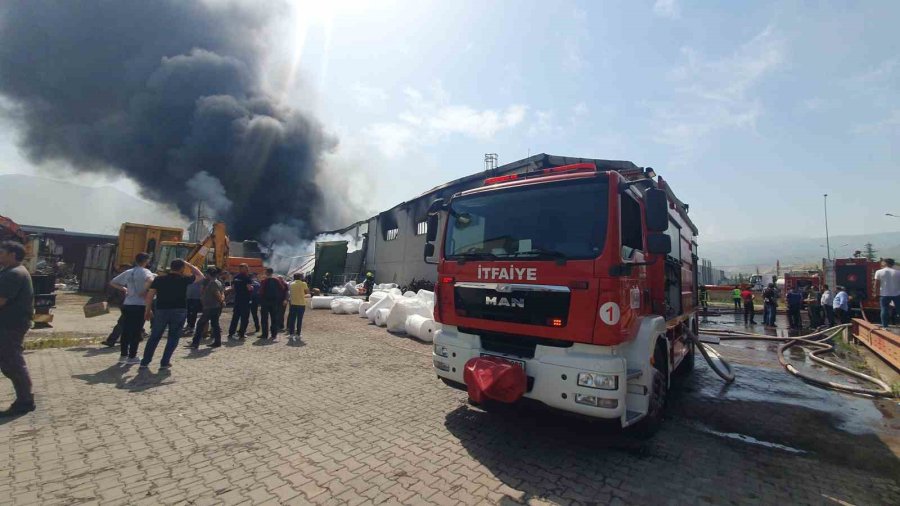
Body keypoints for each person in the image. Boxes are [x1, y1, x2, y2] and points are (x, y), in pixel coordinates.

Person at [140, 259, 203, 369]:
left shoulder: (159, 279)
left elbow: (150, 296)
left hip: (161, 310)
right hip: (179, 310)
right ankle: (165, 362)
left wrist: (147, 310)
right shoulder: (184, 279)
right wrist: (189, 264)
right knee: (173, 337)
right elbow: (200, 276)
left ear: (171, 267)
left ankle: (145, 361)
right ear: (182, 268)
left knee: (154, 336)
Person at [0, 241, 36, 416]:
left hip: (10, 325)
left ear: (12, 255)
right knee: (9, 361)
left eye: (2, 252)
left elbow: (1, 300)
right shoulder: (9, 271)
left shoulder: (14, 274)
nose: (0, 255)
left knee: (12, 362)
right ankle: (25, 398)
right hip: (9, 323)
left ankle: (25, 400)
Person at [109, 252, 154, 364]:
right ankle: (132, 356)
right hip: (140, 305)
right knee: (136, 331)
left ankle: (123, 355)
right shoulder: (146, 272)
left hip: (127, 304)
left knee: (126, 330)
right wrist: (143, 291)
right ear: (146, 261)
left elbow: (113, 282)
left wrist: (124, 289)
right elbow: (151, 280)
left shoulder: (129, 272)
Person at [191, 267, 225, 348]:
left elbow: (217, 294)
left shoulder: (213, 283)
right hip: (215, 306)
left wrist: (221, 301)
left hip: (210, 307)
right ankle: (217, 342)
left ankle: (195, 343)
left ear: (209, 274)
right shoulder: (218, 282)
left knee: (200, 324)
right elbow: (222, 292)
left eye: (206, 273)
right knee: (215, 324)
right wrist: (222, 301)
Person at [259, 268, 288, 340]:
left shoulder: (263, 281)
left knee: (264, 319)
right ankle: (274, 334)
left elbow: (261, 291)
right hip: (275, 302)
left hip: (265, 302)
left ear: (266, 273)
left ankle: (265, 334)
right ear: (272, 273)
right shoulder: (277, 280)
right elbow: (282, 288)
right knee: (274, 318)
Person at [227, 264, 254, 340]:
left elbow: (232, 288)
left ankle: (231, 332)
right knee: (244, 317)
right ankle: (242, 333)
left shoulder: (235, 277)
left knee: (235, 317)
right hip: (245, 300)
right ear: (246, 269)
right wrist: (252, 287)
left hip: (237, 299)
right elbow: (249, 288)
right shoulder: (247, 278)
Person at [874, 258, 900, 329]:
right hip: (897, 294)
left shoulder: (879, 272)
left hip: (884, 294)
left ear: (885, 263)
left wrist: (876, 293)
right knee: (899, 309)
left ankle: (885, 326)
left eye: (883, 262)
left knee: (884, 309)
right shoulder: (898, 272)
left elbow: (876, 284)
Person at [287, 273, 310, 340]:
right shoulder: (304, 284)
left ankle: (291, 334)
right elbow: (307, 293)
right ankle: (298, 334)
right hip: (301, 304)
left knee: (292, 320)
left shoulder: (291, 284)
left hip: (293, 304)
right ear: (300, 277)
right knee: (299, 320)